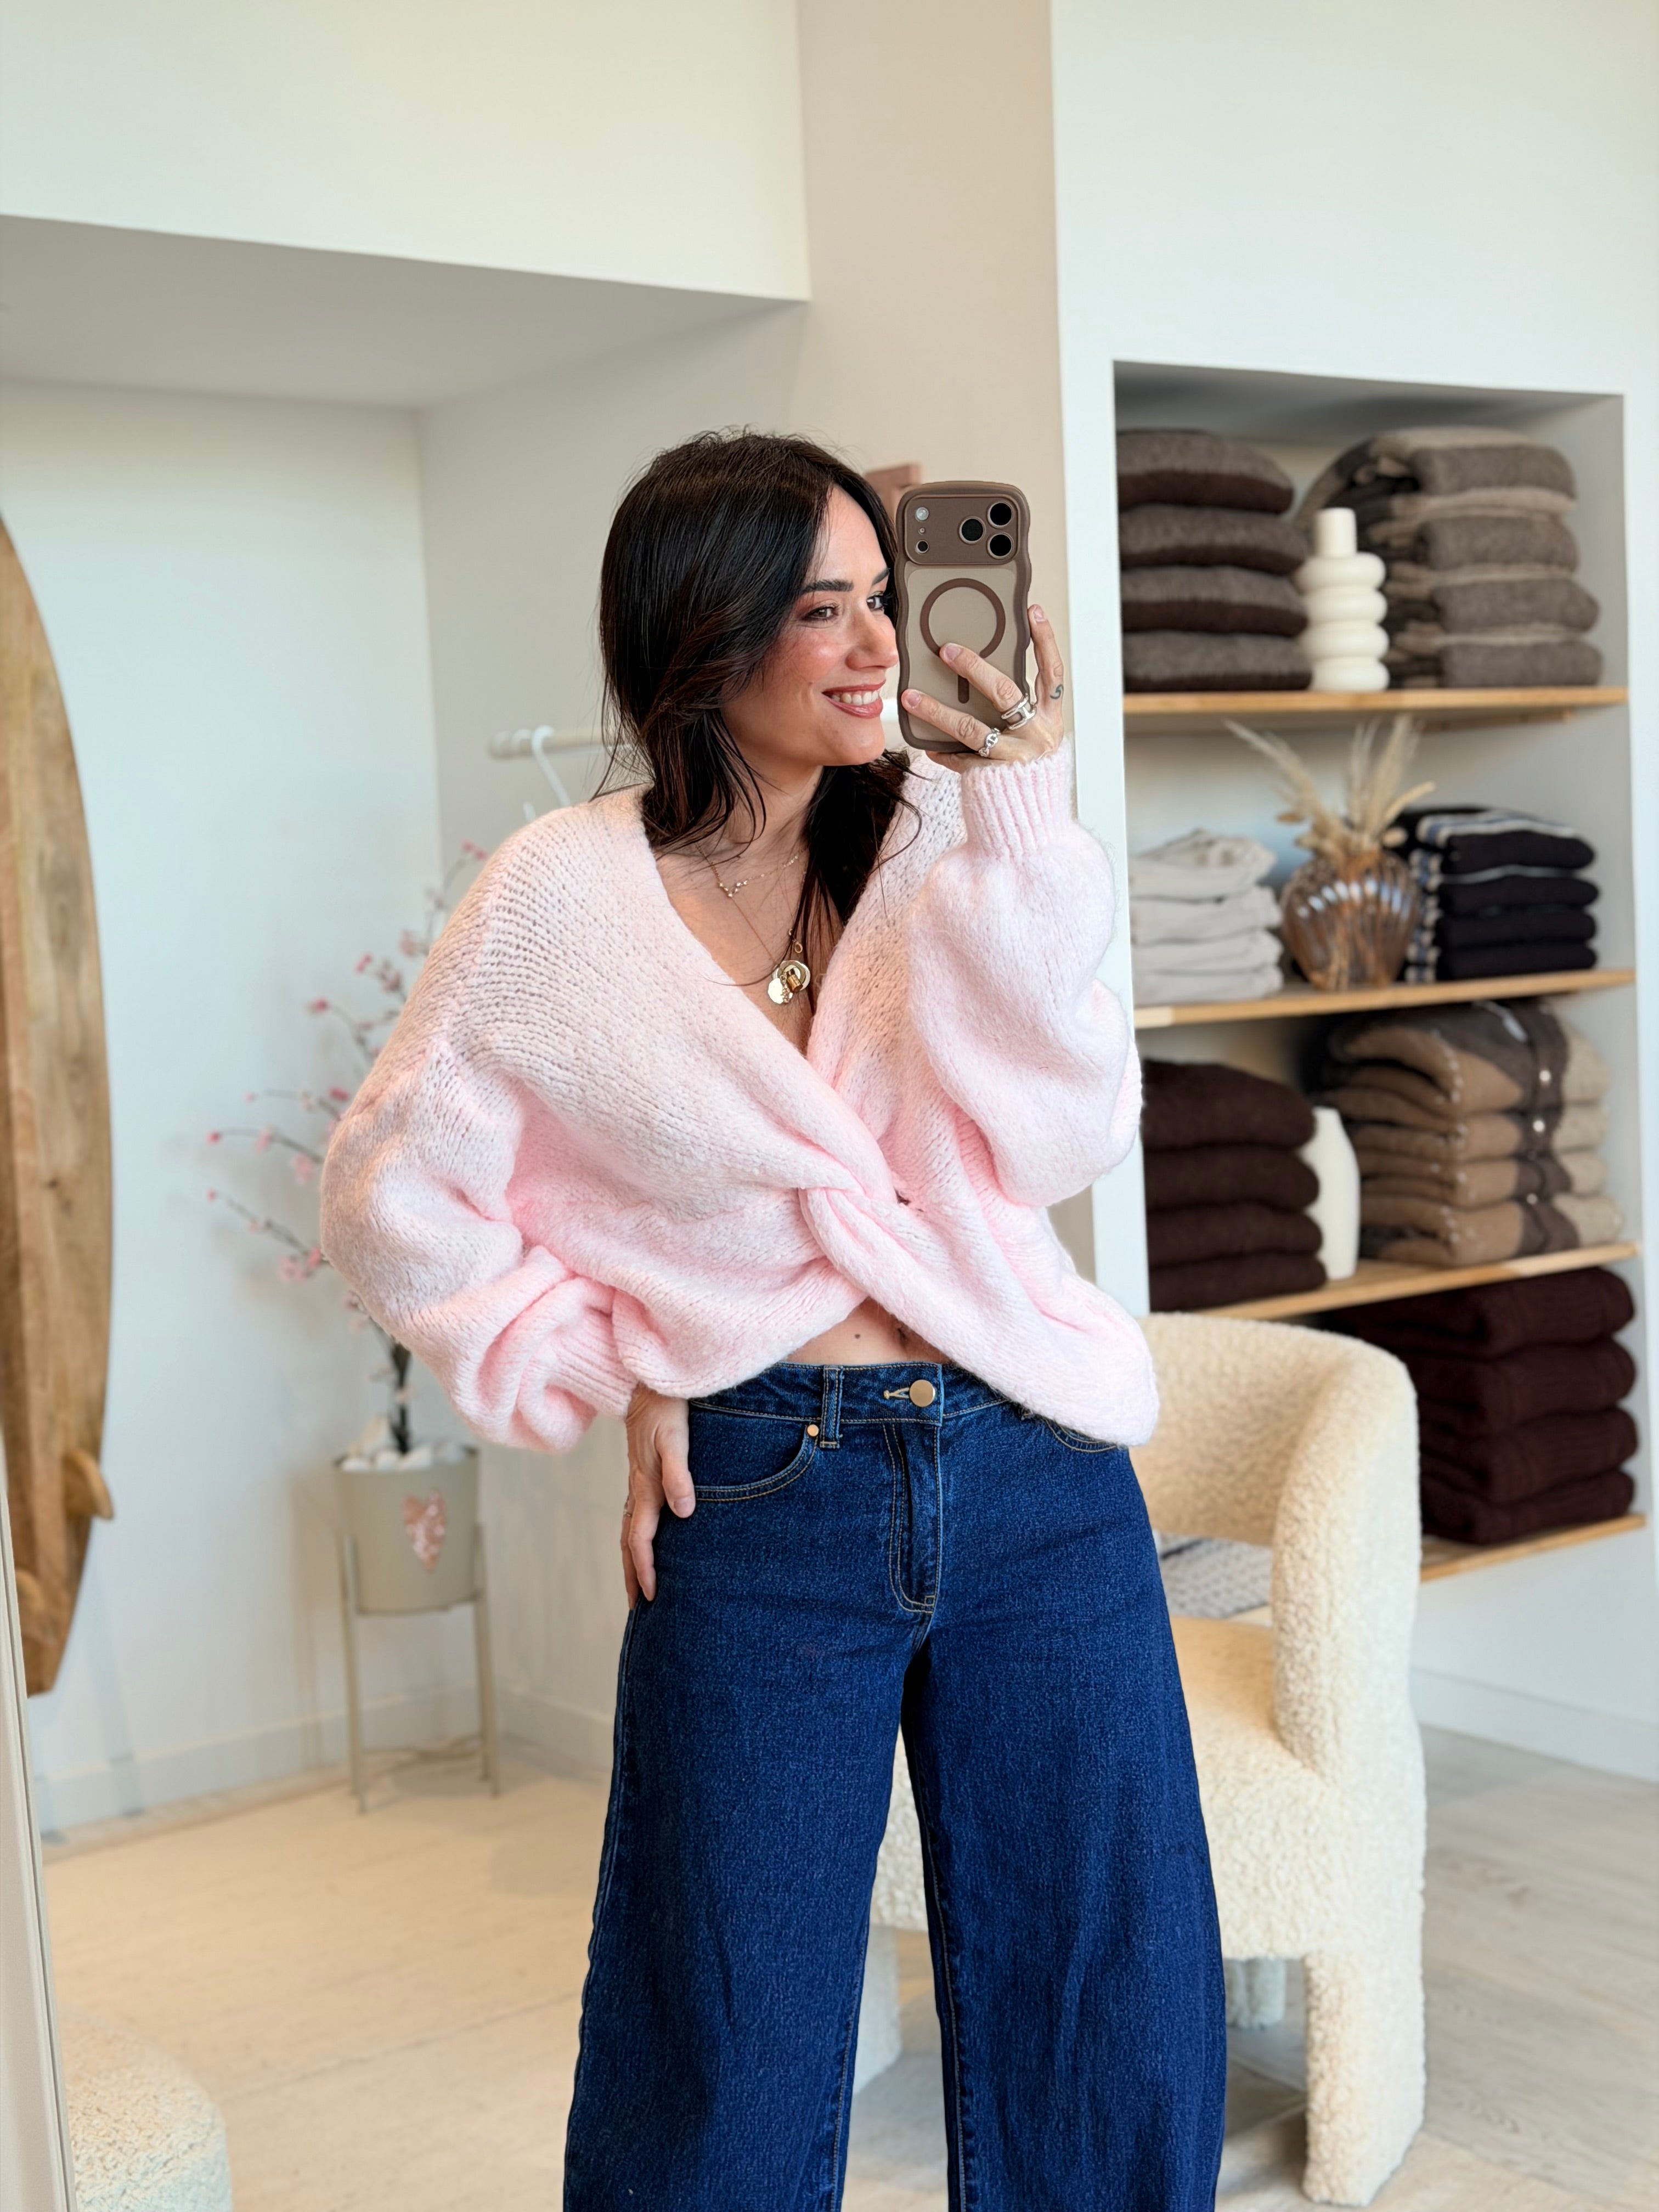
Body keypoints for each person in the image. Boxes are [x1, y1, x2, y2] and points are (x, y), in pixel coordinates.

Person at [319, 430, 1225, 2209]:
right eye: (825, 608)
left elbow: (1066, 1136)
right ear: (704, 637)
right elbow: (387, 1196)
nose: (881, 643)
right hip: (760, 1491)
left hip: (1037, 1469)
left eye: (886, 594)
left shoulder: (948, 838)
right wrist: (616, 1350)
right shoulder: (555, 900)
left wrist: (1024, 817)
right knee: (719, 2037)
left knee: (1107, 2005)